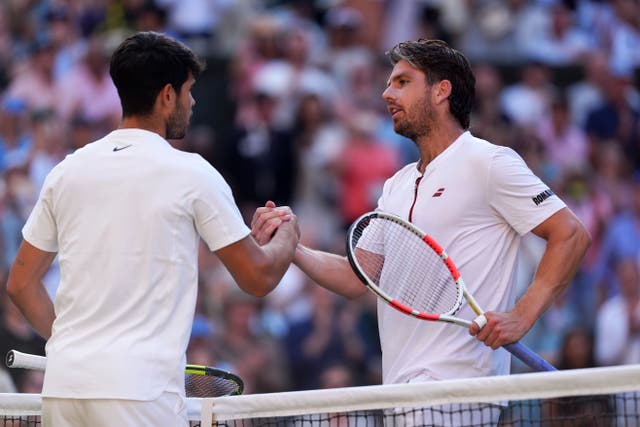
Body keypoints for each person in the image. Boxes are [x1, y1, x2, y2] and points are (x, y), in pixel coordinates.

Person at [252, 39, 590, 385]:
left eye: (402, 82)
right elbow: (358, 279)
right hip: (402, 388)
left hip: (457, 387)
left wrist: (522, 315)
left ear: (441, 91)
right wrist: (293, 247)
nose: (387, 93)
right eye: (388, 83)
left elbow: (571, 234)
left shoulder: (488, 162)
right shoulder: (396, 185)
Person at [6, 31, 299, 427]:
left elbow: (21, 284)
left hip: (64, 387)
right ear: (167, 95)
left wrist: (69, 346)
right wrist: (288, 237)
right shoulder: (192, 172)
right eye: (189, 91)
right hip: (139, 393)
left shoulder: (68, 170)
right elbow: (259, 277)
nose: (193, 102)